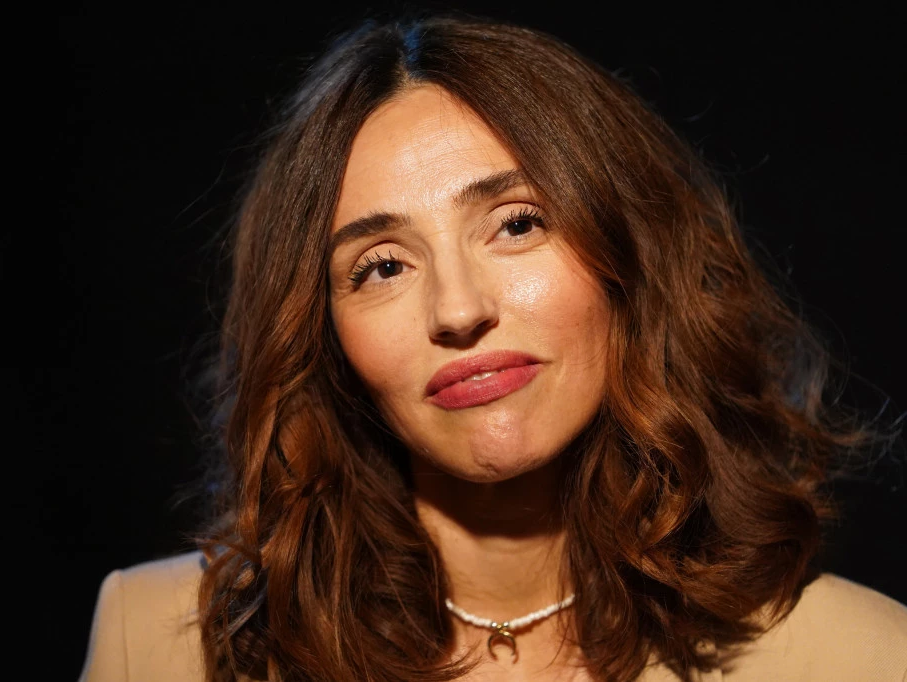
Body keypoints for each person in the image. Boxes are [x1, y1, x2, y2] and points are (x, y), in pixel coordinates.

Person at [77, 15, 907, 682]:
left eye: (516, 223)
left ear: (631, 260)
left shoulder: (865, 657)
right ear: (321, 336)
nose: (459, 310)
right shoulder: (156, 645)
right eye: (383, 266)